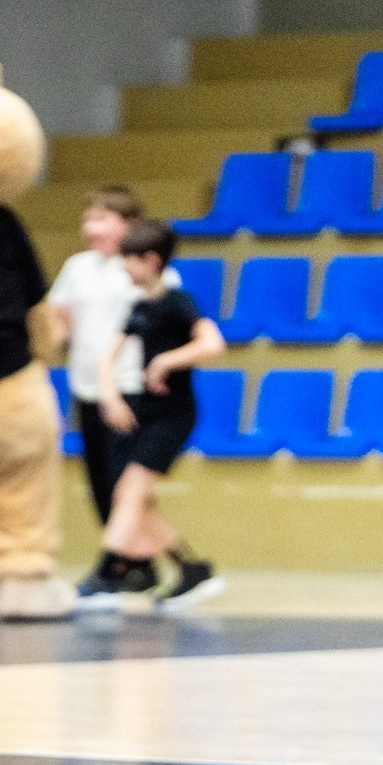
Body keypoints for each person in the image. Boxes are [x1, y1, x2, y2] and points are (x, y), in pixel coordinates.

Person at [86, 219, 225, 609]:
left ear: (150, 261)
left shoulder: (178, 302)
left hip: (174, 414)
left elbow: (212, 344)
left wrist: (167, 360)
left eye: (128, 261)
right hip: (144, 411)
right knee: (136, 500)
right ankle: (192, 569)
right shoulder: (138, 306)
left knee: (129, 492)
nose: (123, 269)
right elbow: (108, 355)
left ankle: (110, 572)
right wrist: (110, 395)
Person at [45, 186, 163, 531]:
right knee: (98, 483)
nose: (90, 228)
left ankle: (125, 561)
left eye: (100, 219)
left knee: (123, 483)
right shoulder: (77, 267)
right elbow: (58, 322)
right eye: (87, 220)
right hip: (87, 389)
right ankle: (130, 565)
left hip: (129, 389)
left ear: (128, 224)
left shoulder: (148, 269)